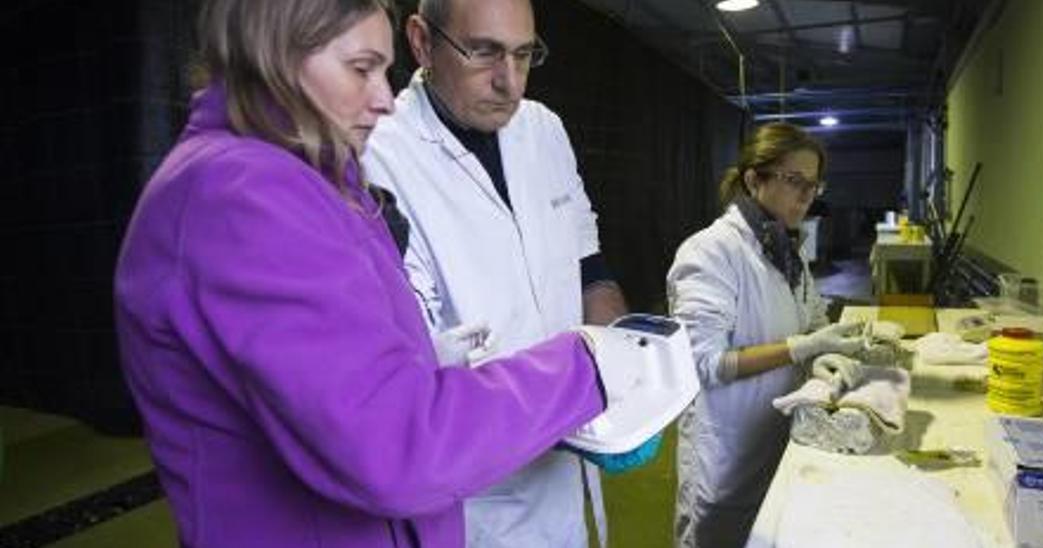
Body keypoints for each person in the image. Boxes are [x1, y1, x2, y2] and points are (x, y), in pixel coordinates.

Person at [113, 1, 615, 546]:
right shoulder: (242, 193)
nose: (383, 99)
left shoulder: (316, 179)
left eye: (383, 70)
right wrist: (590, 365)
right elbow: (395, 443)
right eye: (361, 68)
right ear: (275, 52)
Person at [361, 0, 628, 545]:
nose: (510, 82)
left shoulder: (544, 130)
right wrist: (581, 382)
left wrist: (626, 373)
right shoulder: (379, 153)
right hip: (480, 496)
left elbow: (590, 268)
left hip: (573, 456)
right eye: (483, 52)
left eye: (524, 55)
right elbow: (414, 364)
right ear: (420, 41)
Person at [667, 123, 863, 547]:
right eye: (795, 182)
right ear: (755, 179)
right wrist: (802, 348)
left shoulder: (787, 251)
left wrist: (823, 351)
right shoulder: (710, 252)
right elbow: (707, 364)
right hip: (727, 454)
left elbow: (812, 319)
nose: (807, 196)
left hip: (777, 440)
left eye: (814, 185)